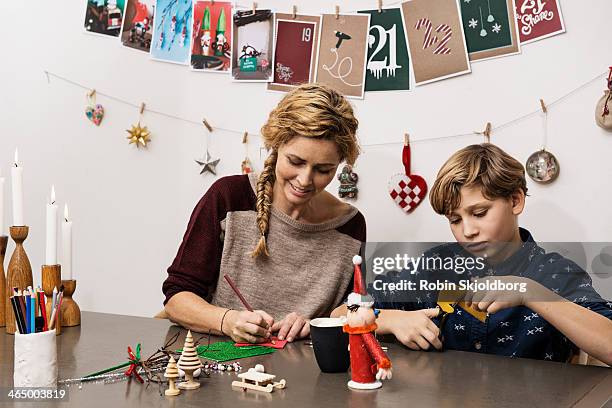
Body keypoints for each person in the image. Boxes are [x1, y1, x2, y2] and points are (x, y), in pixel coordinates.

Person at [334, 144, 612, 364]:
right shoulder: (436, 266)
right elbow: (342, 312)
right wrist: (391, 320)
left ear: (515, 200)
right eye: (455, 220)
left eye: (479, 213)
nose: (467, 231)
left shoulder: (555, 272)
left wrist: (529, 292)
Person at [163, 83, 365, 345]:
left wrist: (316, 323)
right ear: (276, 145)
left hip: (303, 374)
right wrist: (228, 321)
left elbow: (351, 311)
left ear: (339, 165)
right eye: (296, 162)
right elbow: (177, 299)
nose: (305, 180)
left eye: (323, 170)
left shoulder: (351, 227)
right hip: (218, 365)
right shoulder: (229, 197)